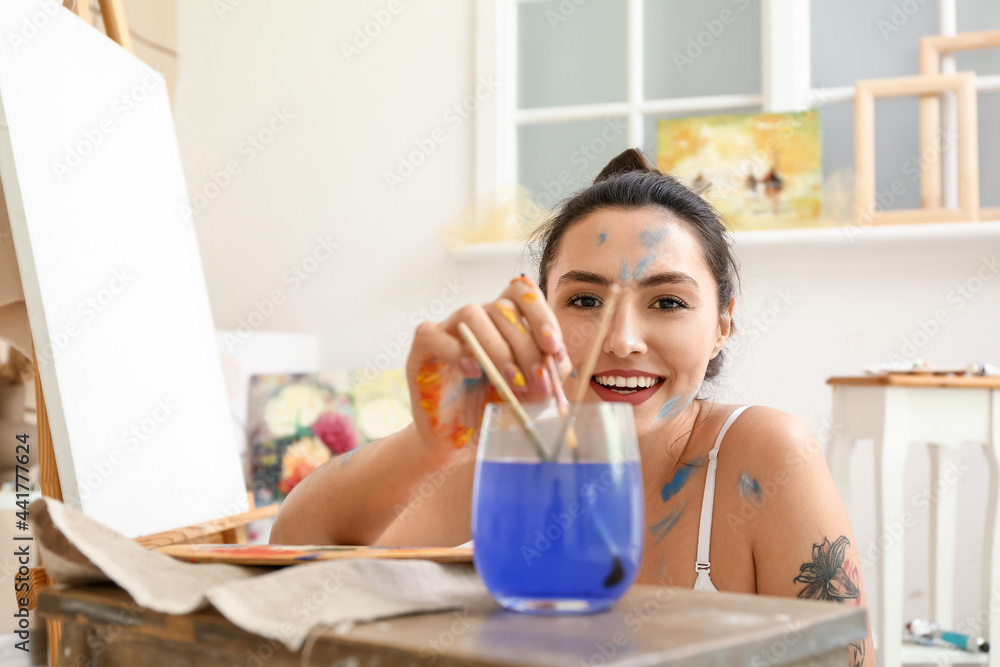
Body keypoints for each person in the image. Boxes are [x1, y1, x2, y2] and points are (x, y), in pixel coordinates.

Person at [270, 148, 874, 666]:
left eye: (667, 303)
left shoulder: (764, 455)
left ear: (722, 325)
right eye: (585, 298)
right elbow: (295, 548)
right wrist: (427, 445)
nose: (623, 339)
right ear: (540, 314)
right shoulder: (516, 455)